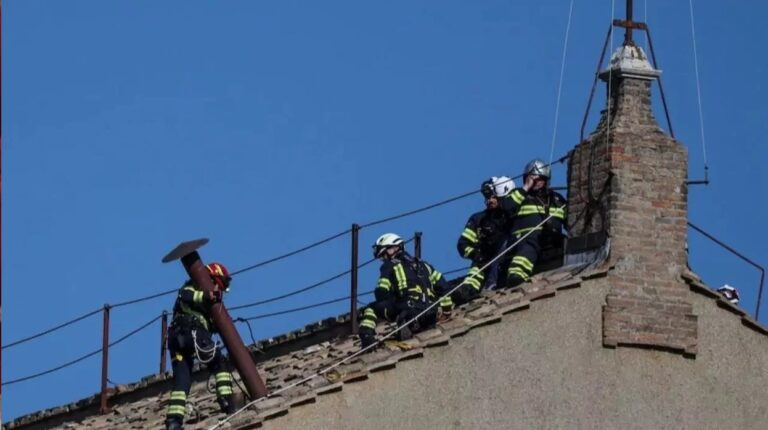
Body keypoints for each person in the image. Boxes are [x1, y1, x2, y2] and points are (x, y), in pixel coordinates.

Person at [165, 262, 236, 430]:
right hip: (192, 332)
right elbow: (187, 295)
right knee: (219, 361)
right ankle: (227, 401)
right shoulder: (192, 286)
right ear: (214, 277)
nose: (220, 290)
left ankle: (173, 422)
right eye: (220, 284)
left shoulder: (200, 299)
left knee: (182, 381)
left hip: (176, 339)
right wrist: (207, 295)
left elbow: (209, 323)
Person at [358, 233, 452, 350]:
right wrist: (447, 311)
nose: (384, 259)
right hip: (430, 313)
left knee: (370, 309)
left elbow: (381, 292)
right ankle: (416, 324)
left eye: (384, 255)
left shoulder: (390, 265)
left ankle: (367, 340)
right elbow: (443, 287)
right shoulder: (424, 265)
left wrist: (392, 302)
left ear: (394, 248)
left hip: (408, 310)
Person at [501, 159, 567, 288]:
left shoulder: (557, 199)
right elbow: (507, 206)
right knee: (530, 242)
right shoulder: (519, 195)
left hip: (550, 240)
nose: (536, 182)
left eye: (540, 179)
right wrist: (526, 187)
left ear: (546, 180)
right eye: (532, 179)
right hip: (524, 240)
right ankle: (516, 273)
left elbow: (570, 222)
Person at [453, 176, 515, 303]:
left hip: (506, 261)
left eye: (492, 197)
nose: (489, 201)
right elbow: (462, 244)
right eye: (487, 198)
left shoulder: (511, 215)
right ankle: (467, 290)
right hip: (483, 262)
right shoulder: (478, 219)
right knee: (477, 268)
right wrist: (476, 254)